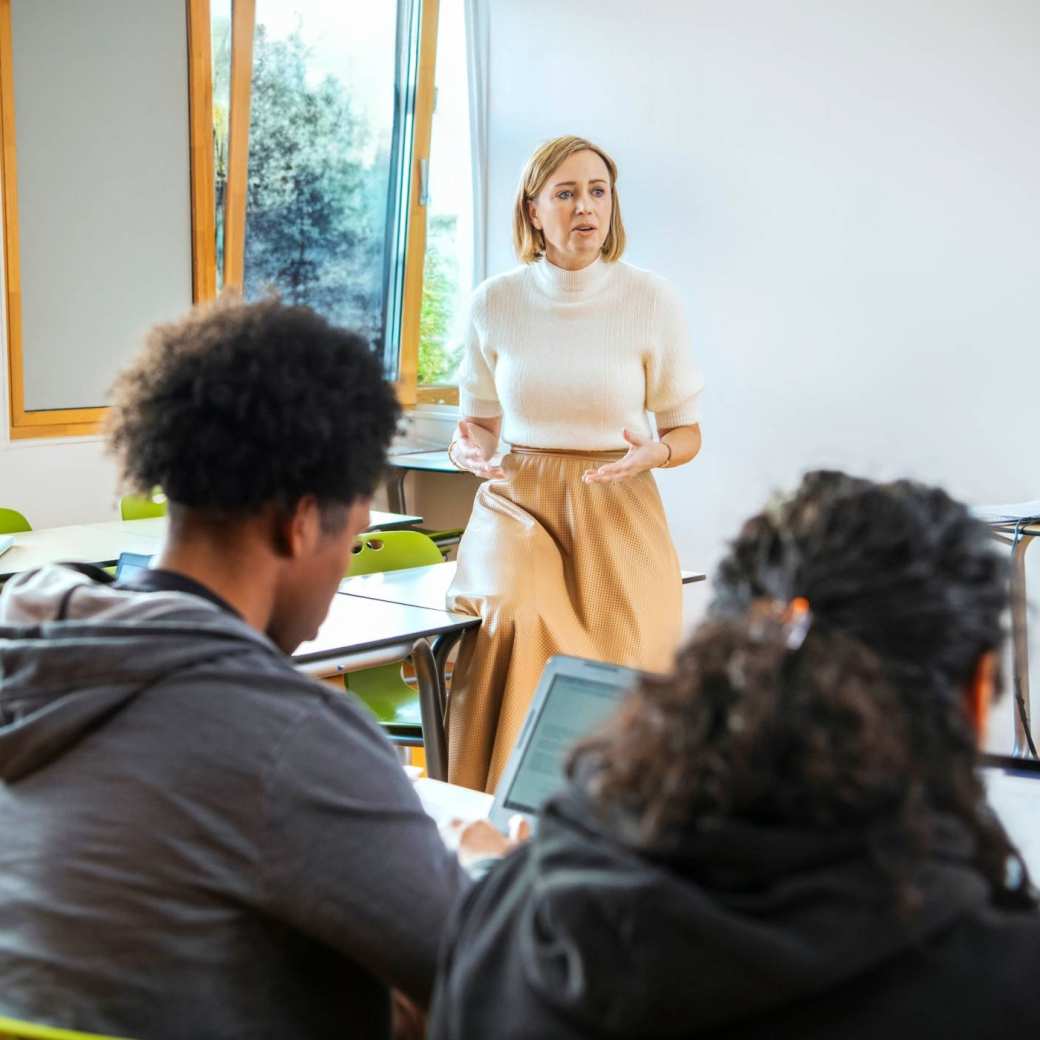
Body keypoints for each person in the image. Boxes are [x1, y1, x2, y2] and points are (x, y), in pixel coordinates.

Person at [428, 472, 1040, 1039]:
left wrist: (518, 876)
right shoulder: (1002, 986)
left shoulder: (513, 922)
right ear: (975, 691)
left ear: (715, 661)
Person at [0, 299, 468, 1039]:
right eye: (350, 534)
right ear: (304, 521)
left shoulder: (23, 651)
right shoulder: (290, 737)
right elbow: (494, 973)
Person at [446, 134, 705, 791]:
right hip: (519, 500)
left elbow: (685, 431)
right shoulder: (494, 302)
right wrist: (466, 445)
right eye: (566, 193)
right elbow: (478, 420)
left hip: (619, 499)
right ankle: (505, 812)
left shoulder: (652, 300)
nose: (586, 207)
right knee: (522, 617)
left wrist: (658, 451)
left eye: (598, 191)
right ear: (533, 210)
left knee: (630, 655)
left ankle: (615, 832)